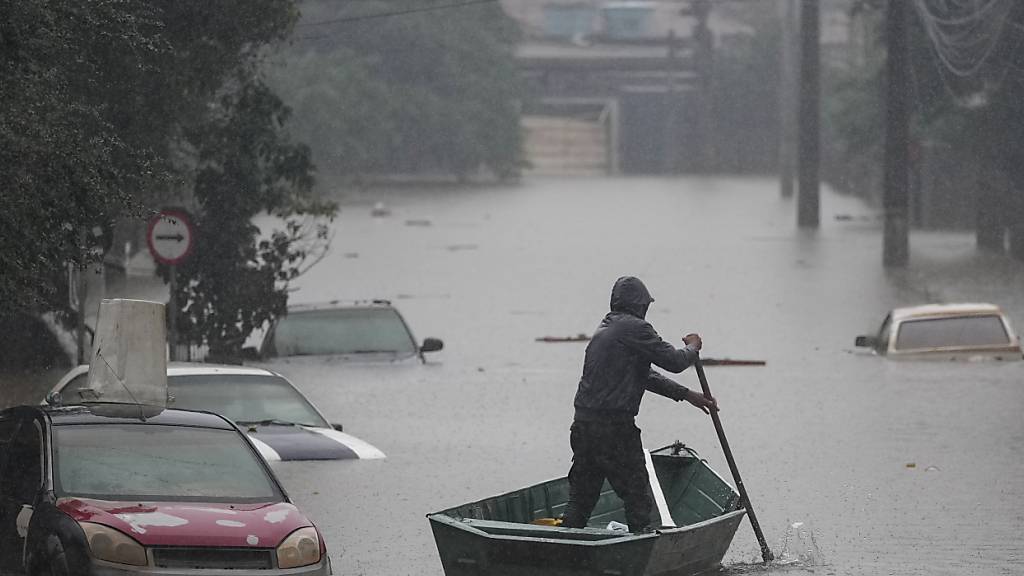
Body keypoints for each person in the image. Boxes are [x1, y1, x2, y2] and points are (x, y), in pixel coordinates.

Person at [561, 276, 718, 533]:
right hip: (614, 430)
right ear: (639, 304)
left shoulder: (605, 329)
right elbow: (676, 362)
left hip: (584, 426)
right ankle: (640, 550)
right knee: (638, 498)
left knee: (581, 499)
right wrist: (693, 347)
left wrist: (688, 394)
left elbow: (643, 375)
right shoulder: (636, 329)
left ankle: (562, 550)